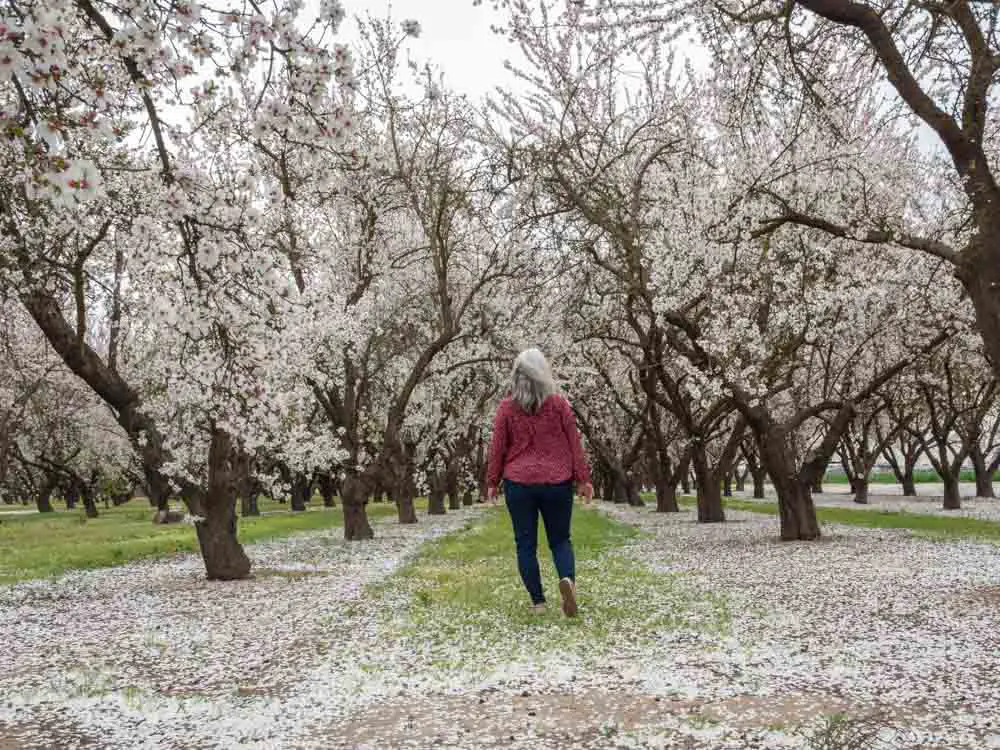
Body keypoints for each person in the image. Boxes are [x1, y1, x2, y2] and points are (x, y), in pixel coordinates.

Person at [485, 348, 593, 617]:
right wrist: (583, 479)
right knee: (560, 540)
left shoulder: (507, 408)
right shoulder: (559, 405)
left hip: (519, 483)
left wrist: (491, 481)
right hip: (557, 481)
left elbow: (497, 447)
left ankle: (538, 602)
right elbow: (574, 444)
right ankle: (568, 581)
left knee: (525, 544)